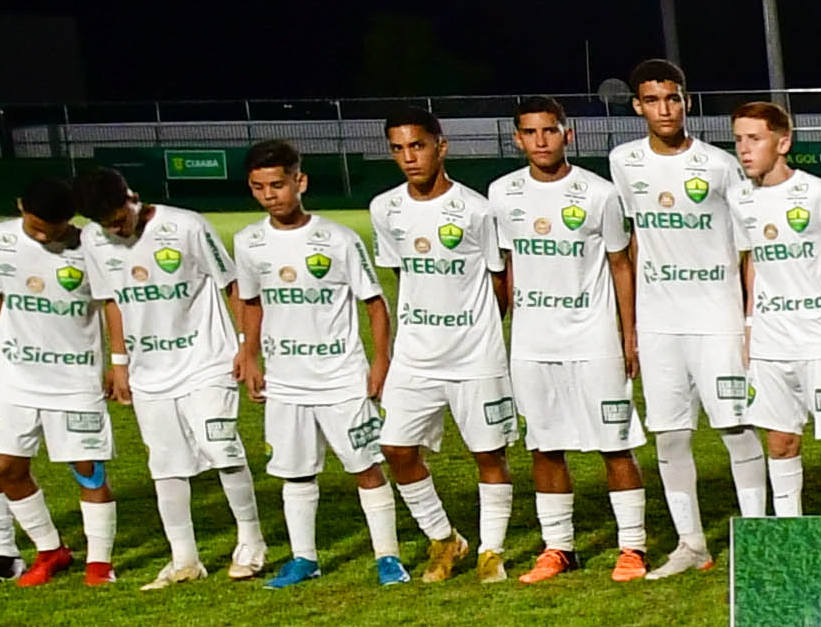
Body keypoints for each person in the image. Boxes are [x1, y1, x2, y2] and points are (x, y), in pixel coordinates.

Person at [485, 94, 648, 581]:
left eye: (549, 130)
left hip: (593, 340)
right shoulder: (502, 193)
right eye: (530, 132)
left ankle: (633, 547)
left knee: (615, 443)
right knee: (544, 445)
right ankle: (559, 548)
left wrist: (629, 334)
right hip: (532, 343)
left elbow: (621, 265)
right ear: (517, 139)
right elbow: (507, 266)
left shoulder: (599, 193)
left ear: (567, 134)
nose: (541, 140)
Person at [76, 164, 263, 584]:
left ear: (131, 197)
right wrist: (119, 363)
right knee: (165, 465)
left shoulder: (186, 226)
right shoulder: (93, 239)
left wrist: (246, 348)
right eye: (107, 225)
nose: (116, 230)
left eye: (119, 219)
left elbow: (232, 284)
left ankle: (251, 541)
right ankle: (185, 560)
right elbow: (111, 301)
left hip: (206, 360)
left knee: (222, 449)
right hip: (149, 371)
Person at [231, 141, 397, 585]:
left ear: (299, 182)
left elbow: (375, 302)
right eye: (259, 187)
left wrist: (380, 361)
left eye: (278, 185)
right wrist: (249, 354)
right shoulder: (248, 243)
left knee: (365, 465)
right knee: (295, 473)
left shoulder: (338, 239)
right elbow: (250, 302)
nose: (270, 195)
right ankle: (304, 559)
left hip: (342, 378)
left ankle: (387, 557)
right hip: (286, 381)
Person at [608, 59, 747, 572]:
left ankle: (757, 536)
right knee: (669, 434)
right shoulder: (623, 161)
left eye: (672, 98)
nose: (664, 109)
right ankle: (692, 545)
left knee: (735, 428)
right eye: (652, 100)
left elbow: (747, 245)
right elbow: (633, 242)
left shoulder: (719, 164)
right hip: (659, 321)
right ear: (637, 106)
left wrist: (749, 319)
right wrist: (631, 327)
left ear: (686, 101)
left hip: (717, 316)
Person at [365, 109, 512, 580]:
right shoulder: (384, 208)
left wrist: (478, 329)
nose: (409, 157)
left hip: (475, 355)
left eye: (418, 145)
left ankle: (491, 551)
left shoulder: (476, 209)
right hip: (416, 355)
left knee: (488, 454)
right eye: (398, 148)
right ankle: (444, 538)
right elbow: (400, 273)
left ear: (440, 147)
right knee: (396, 448)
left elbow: (500, 280)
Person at [0, 171, 123, 584]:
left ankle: (99, 562)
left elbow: (112, 304)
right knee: (4, 465)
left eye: (54, 231)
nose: (43, 238)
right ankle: (50, 549)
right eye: (37, 228)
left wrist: (117, 362)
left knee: (88, 469)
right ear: (21, 207)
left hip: (75, 377)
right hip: (15, 373)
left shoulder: (92, 245)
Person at [727, 101, 821, 516]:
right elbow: (751, 260)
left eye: (754, 139)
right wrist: (750, 326)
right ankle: (789, 530)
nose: (744, 149)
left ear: (783, 143)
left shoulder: (818, 192)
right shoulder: (738, 198)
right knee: (781, 441)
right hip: (770, 340)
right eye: (738, 140)